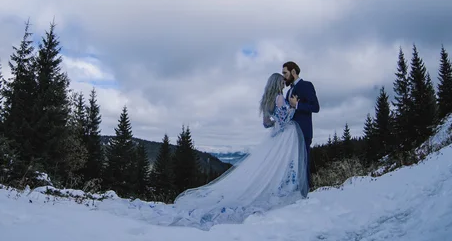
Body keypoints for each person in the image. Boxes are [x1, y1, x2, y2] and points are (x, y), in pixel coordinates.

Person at [95, 73, 310, 231]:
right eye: (282, 81)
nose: (284, 83)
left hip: (273, 137)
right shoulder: (281, 98)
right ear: (277, 84)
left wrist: (275, 120)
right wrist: (293, 107)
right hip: (283, 137)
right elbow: (282, 122)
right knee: (283, 165)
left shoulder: (266, 101)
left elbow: (266, 123)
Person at [282, 61, 320, 193]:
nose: (284, 76)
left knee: (303, 162)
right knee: (292, 163)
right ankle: (295, 191)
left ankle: (307, 192)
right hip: (291, 134)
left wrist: (297, 105)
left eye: (285, 73)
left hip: (303, 131)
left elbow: (315, 107)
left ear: (293, 72)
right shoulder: (288, 91)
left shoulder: (306, 85)